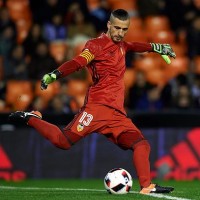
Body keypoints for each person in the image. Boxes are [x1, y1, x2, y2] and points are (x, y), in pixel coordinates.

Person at [9, 9, 176, 194]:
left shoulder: (122, 45)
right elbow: (79, 61)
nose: (120, 33)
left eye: (124, 29)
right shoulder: (95, 46)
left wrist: (157, 47)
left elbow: (134, 45)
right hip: (96, 109)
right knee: (63, 142)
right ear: (109, 25)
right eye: (117, 28)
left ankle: (146, 186)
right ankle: (31, 118)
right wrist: (55, 74)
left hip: (117, 115)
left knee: (142, 145)